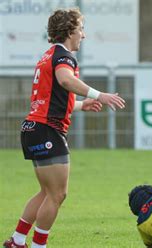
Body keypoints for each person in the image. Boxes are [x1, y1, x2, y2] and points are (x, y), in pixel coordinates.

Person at [2, 8, 126, 248]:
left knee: (47, 192)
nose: (83, 35)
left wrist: (80, 105)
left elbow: (51, 97)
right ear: (70, 31)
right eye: (81, 29)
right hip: (46, 129)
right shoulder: (64, 56)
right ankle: (39, 245)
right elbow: (66, 80)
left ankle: (17, 240)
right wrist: (100, 95)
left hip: (34, 127)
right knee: (58, 194)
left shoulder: (48, 54)